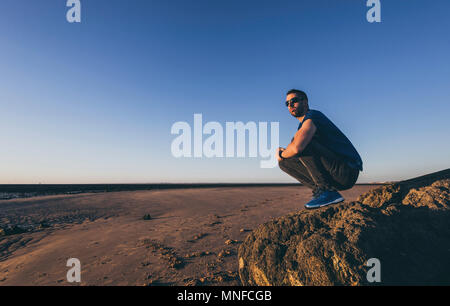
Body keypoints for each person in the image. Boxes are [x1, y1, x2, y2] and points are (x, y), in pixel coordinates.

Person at [277, 89, 363, 209]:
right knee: (285, 163)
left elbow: (297, 147)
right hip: (334, 175)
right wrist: (283, 157)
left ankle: (326, 191)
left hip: (347, 170)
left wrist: (281, 154)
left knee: (302, 144)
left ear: (305, 102)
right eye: (287, 103)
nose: (290, 105)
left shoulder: (313, 116)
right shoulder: (302, 125)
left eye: (294, 101)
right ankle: (322, 191)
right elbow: (293, 149)